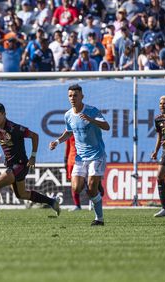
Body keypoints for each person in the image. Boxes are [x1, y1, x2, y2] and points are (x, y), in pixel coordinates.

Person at [0, 103, 61, 225]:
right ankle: (52, 202)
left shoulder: (14, 128)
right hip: (11, 165)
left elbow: (35, 136)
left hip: (20, 164)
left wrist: (33, 156)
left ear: (4, 114)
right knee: (21, 194)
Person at [49, 84, 110, 226]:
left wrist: (91, 120)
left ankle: (99, 219)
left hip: (96, 155)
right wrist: (57, 141)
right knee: (76, 187)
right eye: (70, 95)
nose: (72, 98)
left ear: (82, 96)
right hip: (80, 158)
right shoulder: (68, 115)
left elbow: (106, 127)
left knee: (92, 187)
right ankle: (95, 191)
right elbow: (69, 132)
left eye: (75, 95)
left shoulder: (92, 111)